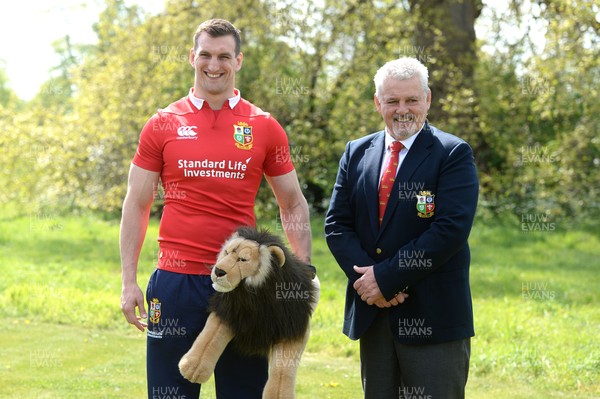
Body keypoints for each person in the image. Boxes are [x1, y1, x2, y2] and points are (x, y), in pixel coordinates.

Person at [119, 18, 312, 399]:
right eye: (205, 54)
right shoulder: (162, 123)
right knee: (168, 392)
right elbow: (137, 204)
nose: (213, 64)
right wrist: (128, 281)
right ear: (192, 57)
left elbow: (292, 202)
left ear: (238, 61)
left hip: (243, 285)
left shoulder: (264, 126)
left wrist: (301, 271)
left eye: (224, 56)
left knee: (243, 392)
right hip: (174, 283)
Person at [324, 57, 479, 399]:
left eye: (412, 100)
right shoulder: (356, 152)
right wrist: (371, 285)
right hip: (374, 317)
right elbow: (337, 226)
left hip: (434, 319)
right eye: (393, 101)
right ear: (378, 103)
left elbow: (449, 230)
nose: (403, 109)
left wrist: (387, 278)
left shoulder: (452, 153)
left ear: (428, 99)